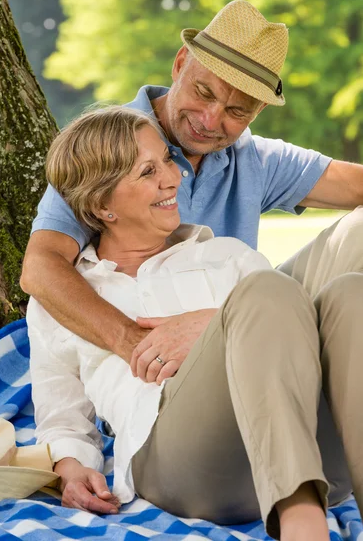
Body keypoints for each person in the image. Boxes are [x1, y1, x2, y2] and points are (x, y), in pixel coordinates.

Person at [28, 106, 363, 541]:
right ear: (101, 206)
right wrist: (72, 471)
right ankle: (303, 524)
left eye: (167, 160)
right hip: (181, 465)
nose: (173, 178)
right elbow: (63, 418)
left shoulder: (225, 255)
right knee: (267, 291)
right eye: (147, 171)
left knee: (351, 293)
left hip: (305, 448)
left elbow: (292, 334)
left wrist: (212, 328)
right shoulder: (72, 295)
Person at [21, 0, 363, 383]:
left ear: (258, 111)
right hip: (163, 358)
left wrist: (220, 324)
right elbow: (40, 267)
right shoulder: (107, 150)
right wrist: (135, 343)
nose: (210, 120)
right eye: (203, 92)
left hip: (244, 316)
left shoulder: (255, 158)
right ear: (181, 63)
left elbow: (356, 185)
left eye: (237, 112)